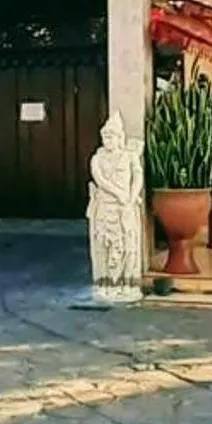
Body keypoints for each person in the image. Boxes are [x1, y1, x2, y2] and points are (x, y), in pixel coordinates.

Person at [88, 112, 146, 301]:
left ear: (120, 138)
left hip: (125, 208)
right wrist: (118, 193)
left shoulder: (129, 157)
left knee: (128, 246)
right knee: (104, 246)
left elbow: (138, 176)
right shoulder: (97, 158)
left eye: (111, 137)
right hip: (106, 207)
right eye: (105, 137)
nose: (107, 140)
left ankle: (127, 284)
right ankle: (105, 284)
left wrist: (131, 195)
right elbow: (100, 180)